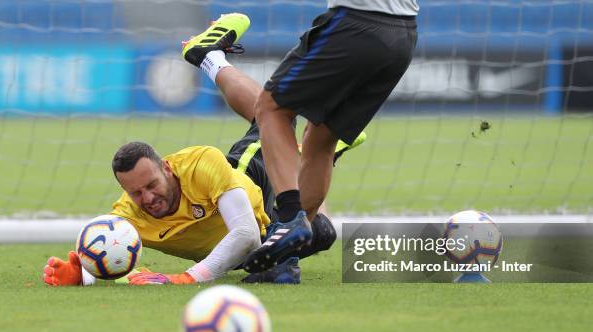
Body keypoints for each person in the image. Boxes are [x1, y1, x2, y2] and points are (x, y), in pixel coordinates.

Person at [43, 13, 364, 287]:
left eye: (152, 185)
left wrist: (186, 278)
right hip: (263, 232)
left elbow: (246, 235)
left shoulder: (201, 164)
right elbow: (108, 252)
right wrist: (82, 274)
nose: (148, 198)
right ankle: (317, 151)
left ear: (167, 168)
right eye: (136, 193)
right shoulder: (129, 217)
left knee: (275, 119)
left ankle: (209, 57)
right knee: (322, 232)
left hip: (251, 181)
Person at [242, 0, 419, 273]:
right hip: (402, 36)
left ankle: (289, 219)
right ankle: (284, 260)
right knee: (321, 137)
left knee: (271, 108)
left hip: (356, 23)